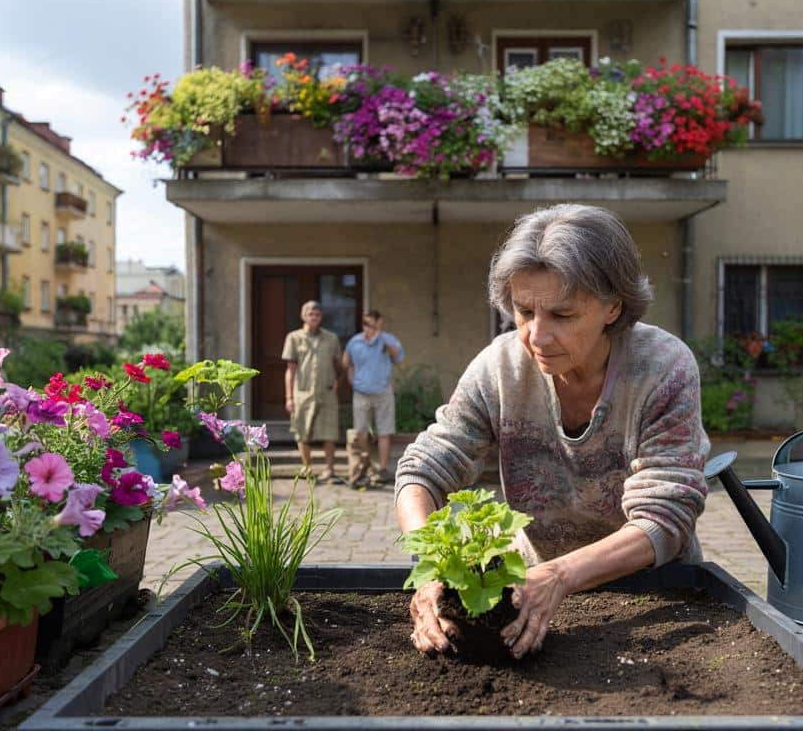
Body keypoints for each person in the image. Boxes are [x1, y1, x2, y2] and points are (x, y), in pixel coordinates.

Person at [395, 204, 709, 660]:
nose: (536, 337)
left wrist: (561, 576)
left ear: (613, 306)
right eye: (523, 312)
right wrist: (429, 569)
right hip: (531, 587)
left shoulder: (663, 369)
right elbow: (422, 470)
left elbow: (666, 518)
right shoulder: (499, 368)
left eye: (562, 316)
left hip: (655, 592)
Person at [282, 300, 344, 482]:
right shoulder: (294, 338)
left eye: (317, 314)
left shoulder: (331, 338)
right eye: (310, 314)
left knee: (330, 432)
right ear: (304, 316)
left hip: (326, 392)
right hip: (303, 392)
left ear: (321, 316)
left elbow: (339, 365)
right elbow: (290, 369)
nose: (314, 318)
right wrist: (289, 397)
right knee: (302, 432)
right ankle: (307, 468)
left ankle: (330, 469)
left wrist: (337, 382)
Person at [344, 309, 405, 485]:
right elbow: (346, 362)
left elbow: (399, 357)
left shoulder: (388, 340)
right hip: (361, 393)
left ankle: (382, 469)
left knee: (384, 432)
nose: (367, 327)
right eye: (365, 323)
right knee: (360, 433)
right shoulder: (355, 341)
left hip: (382, 392)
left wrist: (383, 339)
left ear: (379, 323)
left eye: (371, 324)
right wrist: (352, 379)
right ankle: (364, 466)